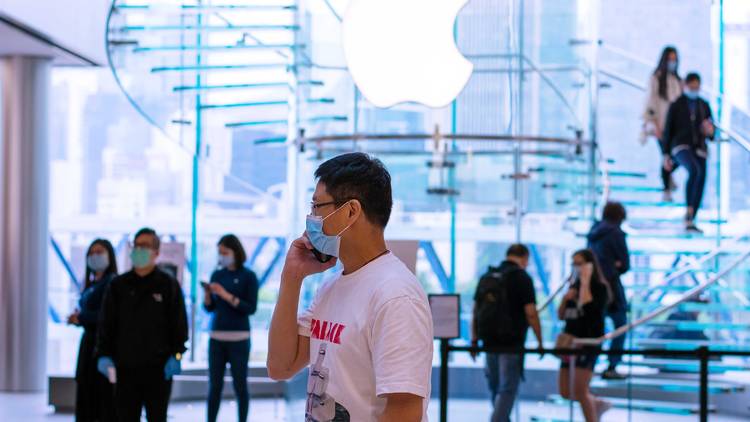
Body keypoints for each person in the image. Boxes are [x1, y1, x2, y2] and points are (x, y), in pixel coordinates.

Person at [267, 152, 434, 422]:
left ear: (351, 212)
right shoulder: (332, 286)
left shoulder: (396, 296)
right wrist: (291, 278)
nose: (311, 218)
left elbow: (404, 410)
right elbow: (280, 366)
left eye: (317, 206)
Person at [96, 228, 189, 422]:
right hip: (125, 368)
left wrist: (177, 354)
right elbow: (106, 324)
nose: (139, 250)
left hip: (159, 370)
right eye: (136, 245)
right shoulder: (118, 285)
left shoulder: (168, 285)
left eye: (145, 246)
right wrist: (103, 354)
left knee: (157, 417)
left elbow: (179, 325)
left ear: (156, 252)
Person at [470, 244, 543, 422]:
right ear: (524, 258)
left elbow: (475, 311)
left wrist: (474, 339)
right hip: (512, 343)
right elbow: (531, 313)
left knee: (496, 388)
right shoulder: (522, 278)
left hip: (488, 341)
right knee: (507, 389)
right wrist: (540, 341)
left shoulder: (488, 276)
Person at [203, 234, 259, 422]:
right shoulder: (217, 275)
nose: (221, 256)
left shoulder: (248, 276)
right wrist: (208, 296)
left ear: (235, 252)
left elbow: (250, 308)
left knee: (240, 386)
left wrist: (226, 295)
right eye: (219, 253)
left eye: (225, 252)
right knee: (214, 386)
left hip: (239, 339)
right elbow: (210, 308)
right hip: (216, 337)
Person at [68, 239, 118, 422]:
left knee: (102, 402)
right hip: (87, 347)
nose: (95, 256)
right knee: (85, 401)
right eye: (92, 253)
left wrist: (81, 318)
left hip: (102, 349)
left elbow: (108, 317)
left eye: (100, 252)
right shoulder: (91, 283)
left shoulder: (112, 283)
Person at [558, 249, 611, 422]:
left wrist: (586, 283)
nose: (576, 267)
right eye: (574, 263)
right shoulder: (572, 288)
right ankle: (597, 403)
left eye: (580, 263)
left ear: (590, 265)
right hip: (570, 342)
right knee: (565, 391)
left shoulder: (599, 288)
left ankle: (592, 415)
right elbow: (561, 315)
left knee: (580, 391)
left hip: (587, 344)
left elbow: (591, 312)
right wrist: (566, 299)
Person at [662, 72, 715, 233]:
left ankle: (691, 217)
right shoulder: (676, 105)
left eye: (696, 87)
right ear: (685, 85)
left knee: (701, 177)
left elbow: (711, 132)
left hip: (699, 147)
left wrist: (710, 132)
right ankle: (688, 211)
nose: (694, 89)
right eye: (691, 86)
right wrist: (665, 154)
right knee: (694, 170)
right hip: (680, 146)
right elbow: (668, 131)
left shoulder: (703, 105)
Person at [586, 202, 630, 380]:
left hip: (592, 287)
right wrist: (615, 266)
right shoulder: (616, 234)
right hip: (611, 286)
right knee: (620, 326)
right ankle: (612, 366)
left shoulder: (593, 232)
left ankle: (589, 365)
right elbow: (625, 264)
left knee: (596, 329)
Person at [642, 46, 683, 202]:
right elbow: (651, 101)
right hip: (661, 124)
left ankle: (668, 177)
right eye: (670, 59)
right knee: (666, 155)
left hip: (676, 126)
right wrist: (654, 123)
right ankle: (666, 188)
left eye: (675, 59)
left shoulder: (678, 80)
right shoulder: (656, 78)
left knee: (673, 157)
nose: (672, 62)